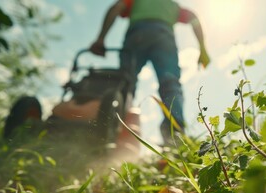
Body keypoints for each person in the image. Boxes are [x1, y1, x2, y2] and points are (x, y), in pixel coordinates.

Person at [89, 0, 210, 145]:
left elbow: (115, 8)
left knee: (125, 83)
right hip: (164, 36)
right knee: (170, 83)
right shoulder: (171, 5)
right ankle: (175, 136)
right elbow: (193, 17)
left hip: (137, 35)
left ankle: (111, 129)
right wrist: (202, 48)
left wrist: (101, 38)